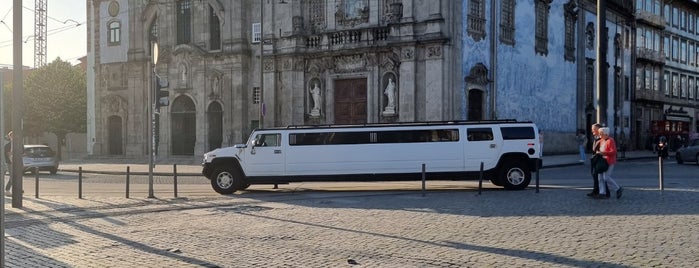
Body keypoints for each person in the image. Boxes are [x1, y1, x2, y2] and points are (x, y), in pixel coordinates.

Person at [594, 127, 623, 199]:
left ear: (606, 134)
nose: (600, 135)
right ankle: (602, 193)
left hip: (609, 161)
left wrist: (603, 153)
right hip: (601, 162)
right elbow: (595, 149)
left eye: (601, 133)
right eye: (600, 133)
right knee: (600, 177)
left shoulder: (611, 140)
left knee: (606, 177)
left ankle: (618, 188)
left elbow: (613, 152)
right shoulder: (601, 140)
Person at [587, 124, 608, 197]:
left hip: (599, 159)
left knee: (599, 176)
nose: (592, 131)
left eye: (594, 129)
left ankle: (605, 192)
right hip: (595, 159)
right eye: (592, 129)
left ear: (599, 130)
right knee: (595, 175)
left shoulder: (602, 139)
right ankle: (596, 190)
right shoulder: (596, 138)